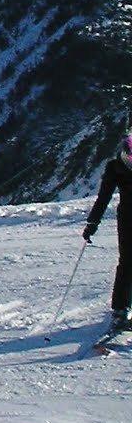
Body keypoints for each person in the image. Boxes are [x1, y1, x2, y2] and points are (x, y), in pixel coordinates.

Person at [84, 131, 132, 335]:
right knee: (128, 263)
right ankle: (120, 310)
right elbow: (104, 197)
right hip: (128, 218)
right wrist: (93, 222)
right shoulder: (115, 167)